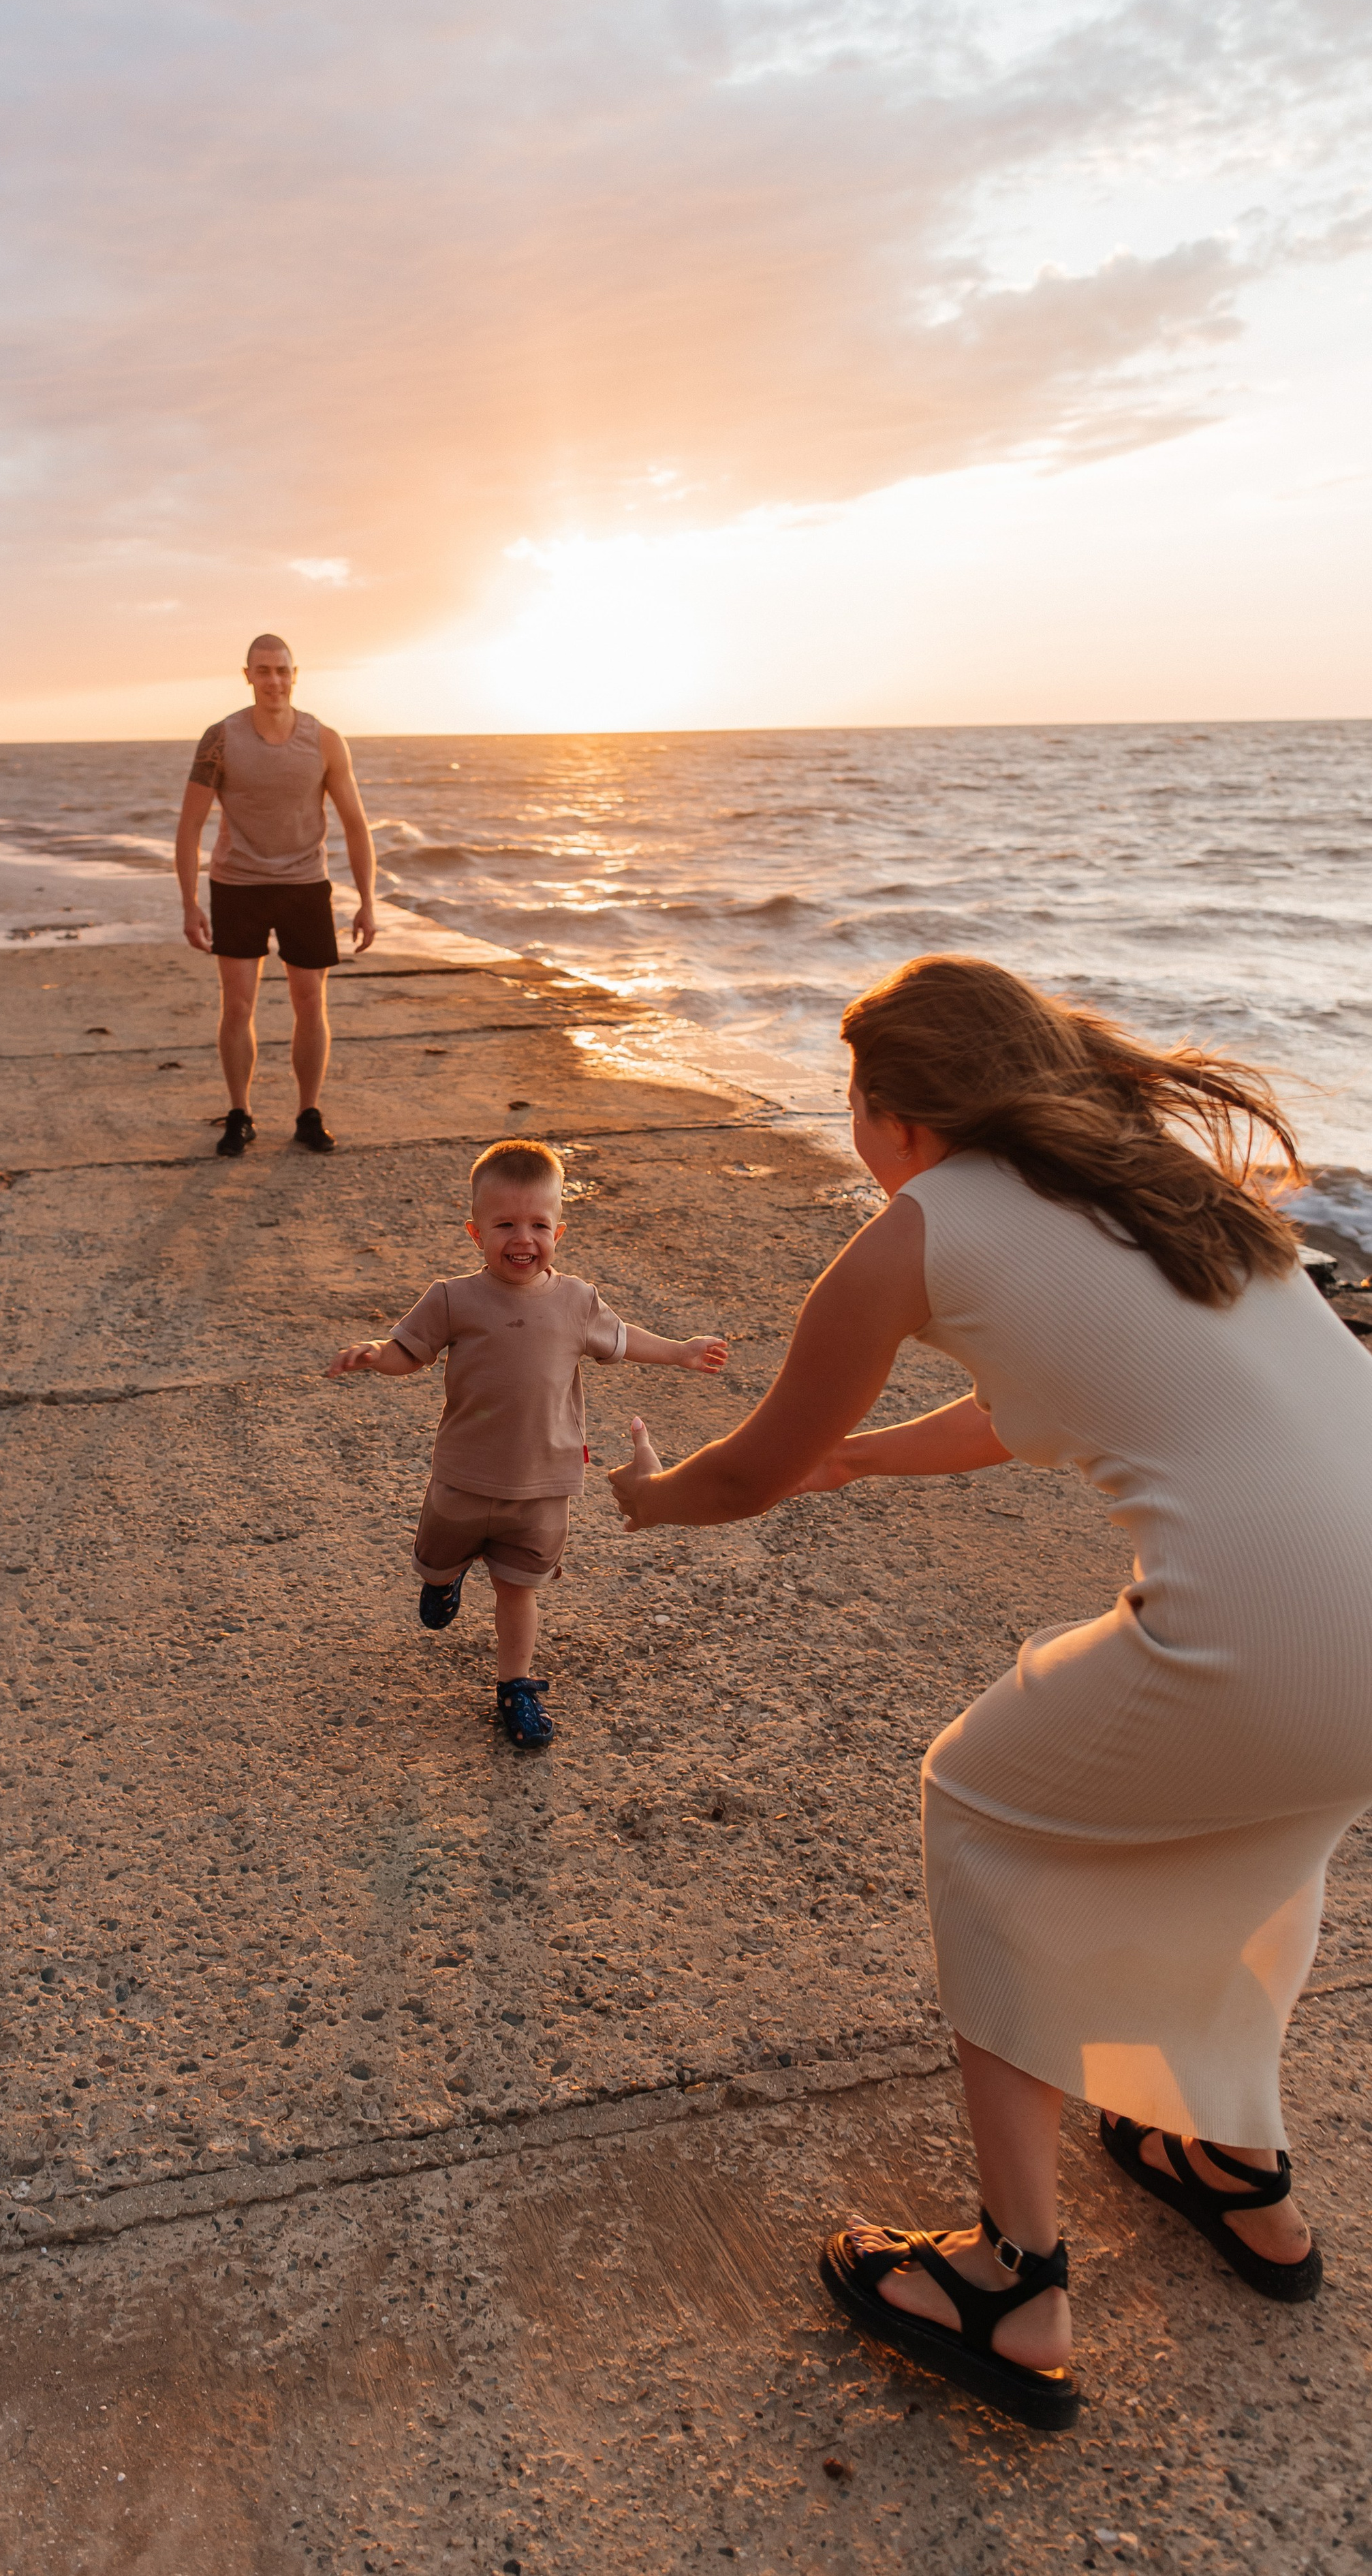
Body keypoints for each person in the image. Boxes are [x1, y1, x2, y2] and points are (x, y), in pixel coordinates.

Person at [609, 955, 1372, 2431]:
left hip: (1264, 1637)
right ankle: (1231, 2162)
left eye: (853, 1101)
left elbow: (749, 1470)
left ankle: (1012, 2280)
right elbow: (1052, 1397)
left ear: (896, 1116)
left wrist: (649, 1499)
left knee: (980, 1807)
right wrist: (861, 1458)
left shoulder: (913, 1231)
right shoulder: (1157, 1187)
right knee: (1241, 1845)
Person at [325, 1138, 728, 1750]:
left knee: (519, 1588)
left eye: (539, 1224)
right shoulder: (453, 1297)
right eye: (505, 1224)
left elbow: (622, 1338)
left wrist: (680, 1351)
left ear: (558, 1232)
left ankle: (515, 1684)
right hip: (463, 1475)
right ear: (475, 1233)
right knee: (440, 1552)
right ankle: (444, 1578)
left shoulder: (577, 1301)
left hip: (543, 1483)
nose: (523, 1238)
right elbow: (411, 1352)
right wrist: (377, 1355)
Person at [174, 634, 379, 1157]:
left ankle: (308, 1113)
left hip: (305, 885)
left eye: (282, 670)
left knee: (310, 1002)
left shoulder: (325, 741)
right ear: (248, 676)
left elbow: (356, 825)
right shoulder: (220, 739)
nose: (274, 680)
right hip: (237, 885)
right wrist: (190, 903)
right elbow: (190, 826)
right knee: (237, 1003)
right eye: (263, 670)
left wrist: (367, 900)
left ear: (295, 674)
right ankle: (239, 1113)